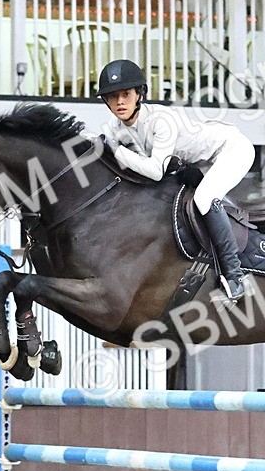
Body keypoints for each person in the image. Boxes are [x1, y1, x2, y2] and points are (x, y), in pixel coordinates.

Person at [93, 58, 252, 301]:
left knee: (205, 198)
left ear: (139, 94)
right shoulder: (115, 128)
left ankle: (234, 275)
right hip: (199, 164)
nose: (120, 102)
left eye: (125, 94)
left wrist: (115, 150)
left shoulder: (161, 120)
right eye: (112, 97)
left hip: (231, 149)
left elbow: (156, 170)